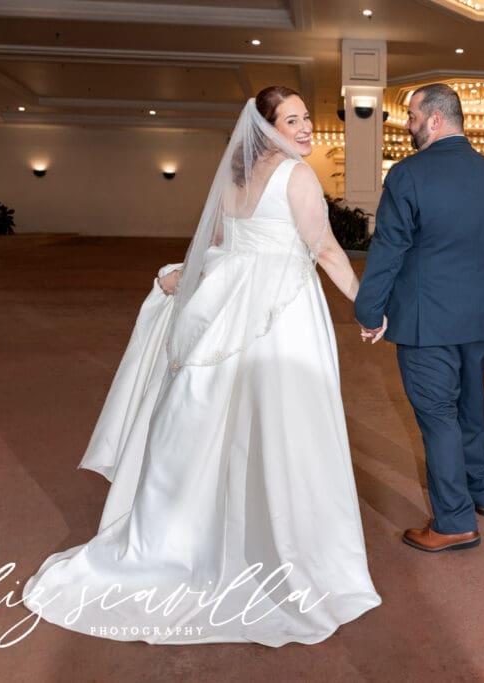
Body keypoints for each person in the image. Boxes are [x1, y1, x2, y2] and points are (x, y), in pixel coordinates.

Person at [23, 86, 381, 645]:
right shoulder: (298, 176)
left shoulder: (233, 180)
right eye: (293, 120)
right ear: (267, 128)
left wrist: (183, 277)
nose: (306, 128)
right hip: (281, 311)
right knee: (285, 422)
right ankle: (281, 543)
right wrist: (366, 305)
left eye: (306, 118)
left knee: (210, 418)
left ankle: (185, 537)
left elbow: (215, 244)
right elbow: (326, 250)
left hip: (225, 306)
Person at [354, 83, 484, 553]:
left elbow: (389, 249)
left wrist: (369, 310)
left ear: (435, 120)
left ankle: (455, 521)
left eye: (413, 116)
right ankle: (483, 493)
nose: (408, 124)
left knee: (439, 417)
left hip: (426, 324)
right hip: (480, 320)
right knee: (472, 406)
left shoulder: (407, 175)